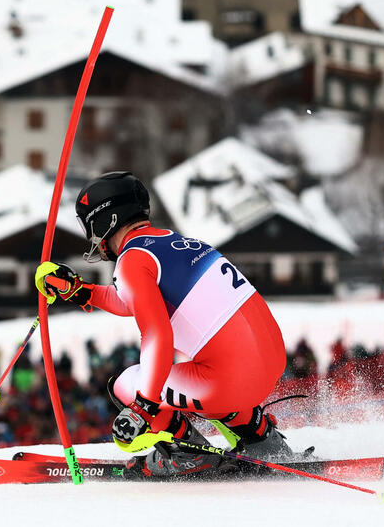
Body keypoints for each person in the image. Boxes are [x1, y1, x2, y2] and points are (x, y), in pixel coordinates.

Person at [34, 171, 290, 477]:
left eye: (89, 226)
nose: (93, 238)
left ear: (106, 221)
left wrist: (144, 404)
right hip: (270, 367)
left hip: (229, 384)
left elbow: (157, 334)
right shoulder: (176, 243)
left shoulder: (132, 260)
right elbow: (136, 302)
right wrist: (80, 292)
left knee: (124, 386)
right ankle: (259, 436)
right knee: (203, 372)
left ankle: (188, 456)